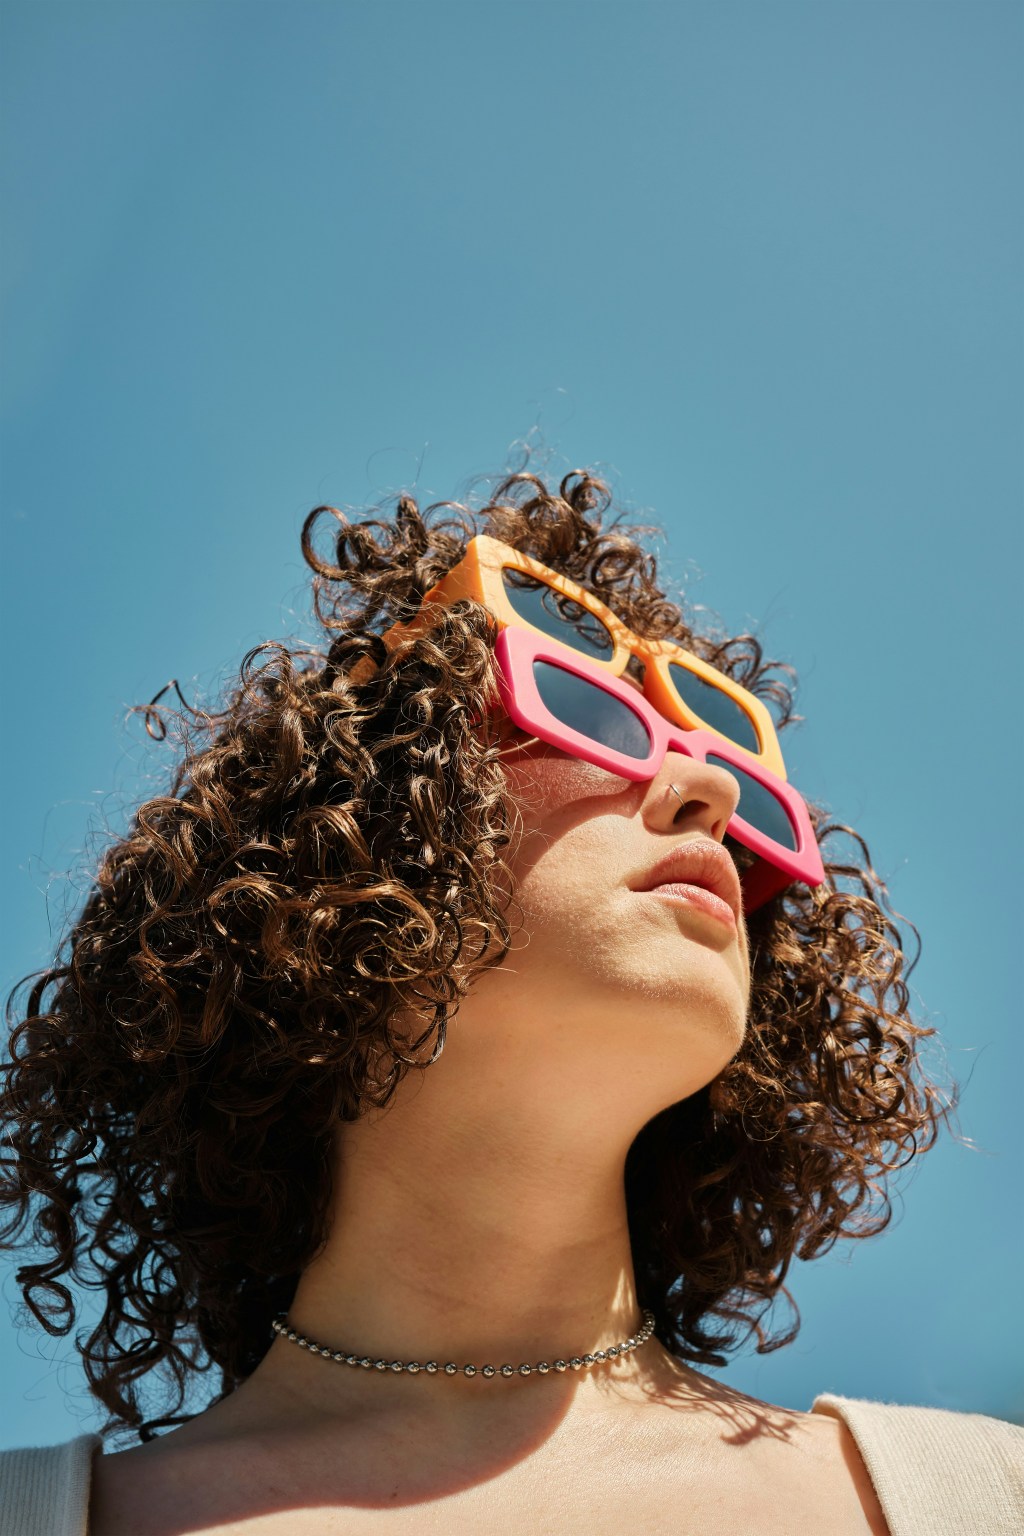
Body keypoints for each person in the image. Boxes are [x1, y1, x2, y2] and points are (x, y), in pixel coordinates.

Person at [0, 472, 1019, 1536]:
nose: (709, 796)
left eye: (744, 786)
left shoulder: (985, 1497)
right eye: (589, 713)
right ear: (360, 827)